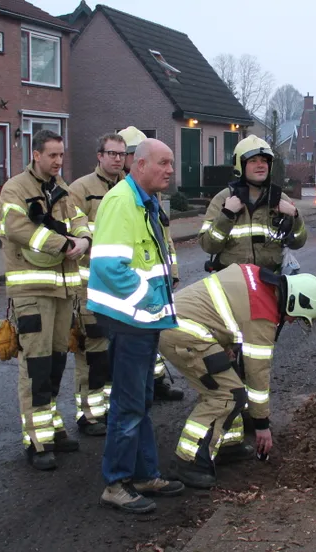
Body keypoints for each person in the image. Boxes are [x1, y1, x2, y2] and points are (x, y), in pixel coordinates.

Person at [160, 264, 316, 489]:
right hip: (184, 334)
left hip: (183, 324)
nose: (290, 322)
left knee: (232, 380)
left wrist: (226, 344)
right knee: (227, 394)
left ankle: (227, 445)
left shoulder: (259, 279)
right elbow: (257, 375)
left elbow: (225, 310)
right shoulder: (263, 313)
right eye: (296, 317)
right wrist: (261, 425)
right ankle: (187, 462)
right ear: (294, 301)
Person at [87, 138, 185, 514]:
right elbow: (108, 267)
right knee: (128, 405)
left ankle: (143, 475)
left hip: (141, 321)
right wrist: (151, 300)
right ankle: (116, 483)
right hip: (130, 321)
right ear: (140, 165)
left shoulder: (143, 200)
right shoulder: (122, 202)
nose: (170, 170)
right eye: (164, 163)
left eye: (171, 163)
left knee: (140, 401)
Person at [0, 129, 92, 471]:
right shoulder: (16, 188)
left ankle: (52, 428)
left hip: (64, 291)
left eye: (61, 155)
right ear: (35, 155)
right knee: (36, 367)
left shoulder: (61, 189)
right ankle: (37, 441)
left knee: (55, 365)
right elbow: (17, 229)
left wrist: (84, 239)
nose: (58, 161)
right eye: (52, 155)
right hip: (32, 293)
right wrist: (64, 245)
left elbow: (80, 221)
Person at [117, 126, 184, 402]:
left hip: (152, 281)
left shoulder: (151, 193)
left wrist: (172, 272)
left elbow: (164, 237)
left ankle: (155, 384)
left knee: (152, 336)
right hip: (126, 286)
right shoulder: (119, 195)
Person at [68, 133, 126, 437]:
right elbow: (75, 231)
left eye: (121, 154)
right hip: (90, 287)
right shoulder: (80, 189)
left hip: (121, 287)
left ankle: (108, 408)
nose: (117, 159)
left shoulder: (130, 188)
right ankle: (89, 414)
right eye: (111, 153)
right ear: (99, 155)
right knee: (92, 352)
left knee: (114, 352)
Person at [199, 135, 307, 273]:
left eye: (264, 161)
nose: (260, 165)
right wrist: (227, 215)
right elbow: (208, 246)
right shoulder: (223, 199)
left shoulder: (281, 199)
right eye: (253, 161)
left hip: (270, 281)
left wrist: (295, 216)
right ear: (240, 165)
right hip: (233, 280)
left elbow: (298, 243)